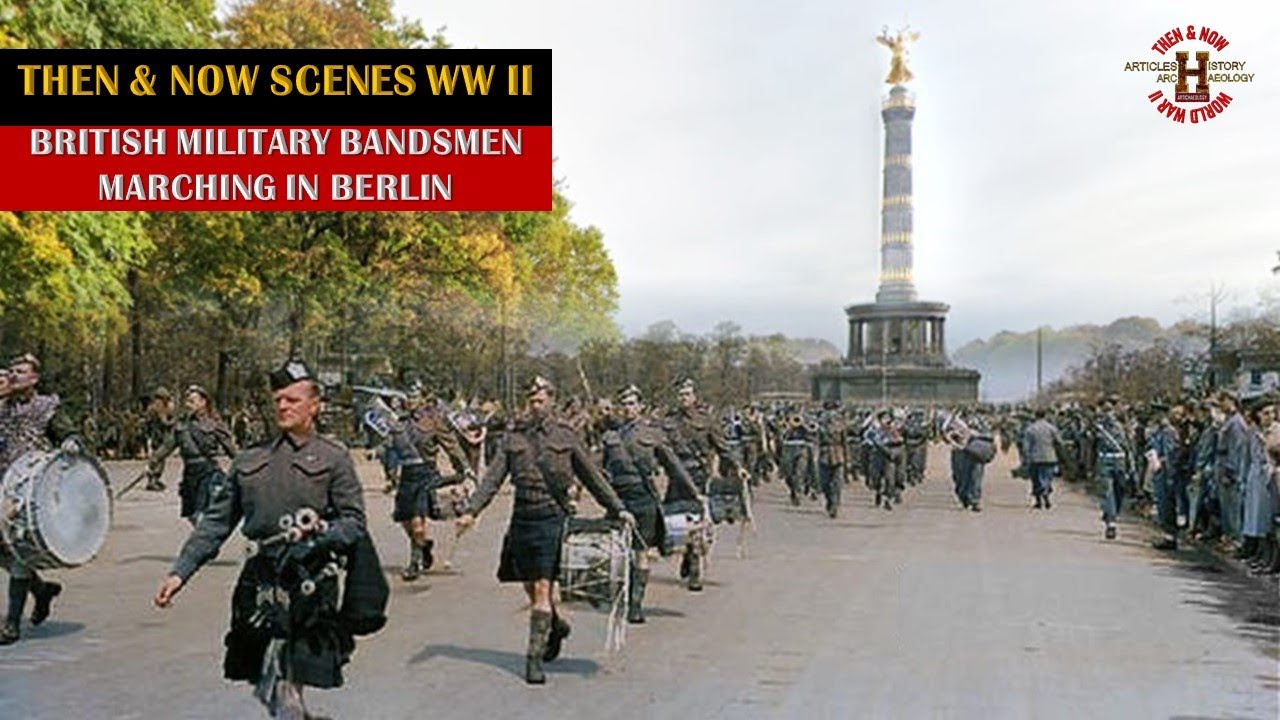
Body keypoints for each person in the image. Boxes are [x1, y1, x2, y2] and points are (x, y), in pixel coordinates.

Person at [154, 360, 380, 719]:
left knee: (287, 685)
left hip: (311, 580)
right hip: (259, 580)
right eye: (278, 399)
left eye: (292, 399)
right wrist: (180, 572)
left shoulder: (333, 458)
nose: (282, 406)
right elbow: (215, 522)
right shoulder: (250, 458)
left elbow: (354, 523)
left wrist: (320, 536)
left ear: (314, 405)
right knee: (263, 679)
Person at [455, 376, 633, 685]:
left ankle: (533, 661)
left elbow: (592, 476)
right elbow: (493, 478)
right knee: (529, 586)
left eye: (540, 400)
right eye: (531, 400)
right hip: (522, 519)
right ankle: (556, 625)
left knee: (541, 588)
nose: (535, 405)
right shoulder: (513, 438)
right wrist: (472, 510)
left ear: (551, 399)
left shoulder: (567, 435)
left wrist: (618, 508)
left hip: (552, 518)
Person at [600, 384, 702, 623]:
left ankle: (635, 604)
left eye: (632, 403)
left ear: (640, 406)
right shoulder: (610, 437)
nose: (628, 408)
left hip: (643, 497)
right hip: (616, 500)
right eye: (624, 404)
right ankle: (622, 593)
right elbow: (597, 469)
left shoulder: (653, 434)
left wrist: (694, 492)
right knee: (616, 550)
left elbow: (673, 465)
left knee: (640, 552)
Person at [0, 354, 79, 646]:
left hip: (31, 489)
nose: (14, 375)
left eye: (20, 371)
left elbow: (69, 433)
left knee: (19, 550)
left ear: (34, 378)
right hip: (2, 486)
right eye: (12, 371)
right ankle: (42, 590)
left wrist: (71, 441)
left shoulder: (47, 408)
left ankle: (11, 624)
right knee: (3, 552)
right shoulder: (3, 407)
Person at [660, 378, 749, 590]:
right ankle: (686, 555)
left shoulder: (707, 420)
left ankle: (694, 569)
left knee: (698, 524)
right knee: (674, 522)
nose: (684, 399)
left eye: (687, 394)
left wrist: (738, 467)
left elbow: (723, 446)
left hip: (699, 477)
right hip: (676, 477)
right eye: (681, 395)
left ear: (694, 396)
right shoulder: (669, 421)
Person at [390, 396, 473, 581]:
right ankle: (424, 546)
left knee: (418, 525)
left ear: (423, 400)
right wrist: (390, 473)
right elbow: (392, 449)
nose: (410, 401)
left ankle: (415, 562)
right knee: (405, 521)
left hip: (425, 475)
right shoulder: (400, 422)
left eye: (415, 395)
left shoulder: (433, 421)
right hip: (406, 475)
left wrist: (464, 468)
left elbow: (451, 444)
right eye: (407, 396)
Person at [146, 385, 238, 523]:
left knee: (200, 514)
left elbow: (231, 449)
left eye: (192, 401)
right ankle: (204, 537)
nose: (188, 405)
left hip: (207, 473)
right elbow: (167, 446)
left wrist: (245, 465)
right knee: (191, 515)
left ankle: (204, 540)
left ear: (203, 402)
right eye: (187, 401)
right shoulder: (180, 425)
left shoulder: (214, 424)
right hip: (189, 474)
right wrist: (154, 460)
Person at [1022, 408, 1063, 509]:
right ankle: (1046, 493)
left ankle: (1038, 501)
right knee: (1047, 477)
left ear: (1035, 416)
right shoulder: (1052, 428)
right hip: (1050, 456)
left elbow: (1026, 446)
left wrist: (1026, 458)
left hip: (1035, 457)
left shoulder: (1030, 429)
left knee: (1036, 479)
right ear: (1045, 416)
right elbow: (1059, 441)